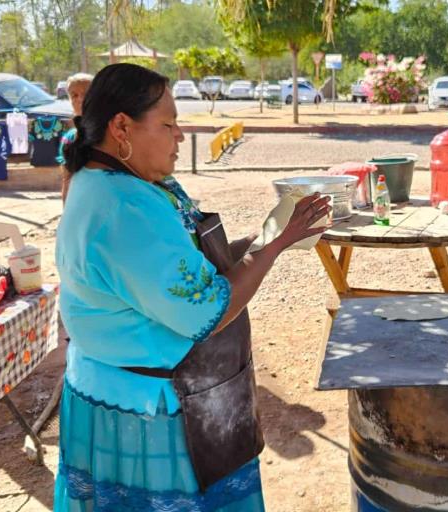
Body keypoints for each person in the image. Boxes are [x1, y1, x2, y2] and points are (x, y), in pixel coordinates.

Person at [54, 63, 331, 511]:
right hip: (144, 411)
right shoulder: (124, 207)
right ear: (121, 126)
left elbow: (196, 265)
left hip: (128, 391)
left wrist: (270, 236)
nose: (180, 135)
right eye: (167, 124)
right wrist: (276, 244)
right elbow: (209, 308)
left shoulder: (127, 182)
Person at [58, 73, 94, 203]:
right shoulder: (70, 139)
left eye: (86, 94)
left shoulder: (114, 131)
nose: (80, 99)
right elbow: (67, 179)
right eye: (74, 95)